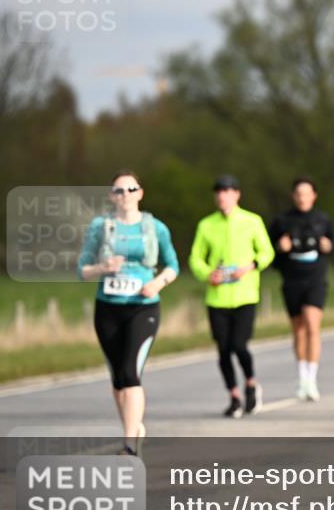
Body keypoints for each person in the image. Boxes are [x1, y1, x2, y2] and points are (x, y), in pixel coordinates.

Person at [78, 170, 179, 455]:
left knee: (131, 372)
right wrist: (102, 268)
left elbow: (173, 264)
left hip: (143, 307)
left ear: (140, 193)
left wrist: (158, 282)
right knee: (118, 378)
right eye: (119, 191)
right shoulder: (101, 227)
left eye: (131, 189)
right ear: (112, 196)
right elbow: (82, 269)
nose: (125, 196)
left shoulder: (155, 227)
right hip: (108, 307)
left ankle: (130, 443)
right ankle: (134, 429)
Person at [189, 175, 275, 417]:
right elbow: (195, 258)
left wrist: (250, 266)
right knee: (223, 350)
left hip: (245, 295)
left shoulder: (252, 221)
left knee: (239, 345)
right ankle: (234, 396)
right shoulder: (206, 225)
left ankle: (251, 382)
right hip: (217, 298)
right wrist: (208, 274)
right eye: (218, 192)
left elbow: (267, 252)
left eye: (227, 191)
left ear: (237, 194)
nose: (222, 196)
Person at [268, 177, 334, 402]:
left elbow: (332, 246)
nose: (302, 198)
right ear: (293, 196)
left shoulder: (323, 219)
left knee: (312, 325)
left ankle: (312, 379)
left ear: (314, 195)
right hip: (292, 279)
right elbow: (271, 256)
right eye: (298, 194)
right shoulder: (281, 221)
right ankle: (302, 377)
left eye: (306, 193)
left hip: (315, 278)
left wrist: (328, 246)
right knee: (298, 330)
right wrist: (281, 248)